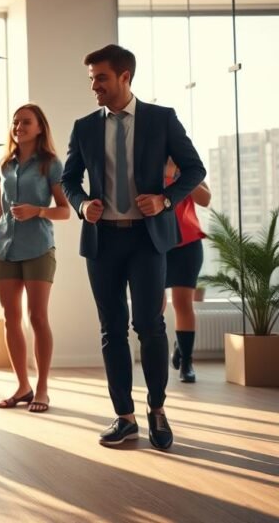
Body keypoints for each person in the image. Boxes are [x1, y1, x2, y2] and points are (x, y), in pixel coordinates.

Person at [62, 44, 205, 450]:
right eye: (91, 78)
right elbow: (69, 179)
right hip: (102, 240)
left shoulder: (162, 119)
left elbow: (194, 169)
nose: (94, 86)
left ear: (125, 77)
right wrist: (82, 203)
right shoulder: (85, 126)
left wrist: (165, 199)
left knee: (150, 325)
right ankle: (123, 416)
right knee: (111, 330)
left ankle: (157, 409)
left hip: (147, 240)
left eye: (101, 77)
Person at [0, 104, 70, 413]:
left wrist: (37, 210)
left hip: (38, 248)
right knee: (10, 318)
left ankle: (42, 388)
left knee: (38, 317)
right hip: (5, 249)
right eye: (15, 122)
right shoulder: (4, 164)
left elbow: (65, 210)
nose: (18, 126)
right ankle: (22, 386)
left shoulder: (51, 165)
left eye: (26, 122)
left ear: (40, 128)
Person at [163, 158, 211, 383]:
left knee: (183, 303)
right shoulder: (148, 162)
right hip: (157, 243)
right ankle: (159, 360)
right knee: (155, 306)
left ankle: (186, 362)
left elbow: (205, 199)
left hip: (188, 243)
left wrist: (182, 176)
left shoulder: (189, 166)